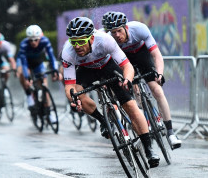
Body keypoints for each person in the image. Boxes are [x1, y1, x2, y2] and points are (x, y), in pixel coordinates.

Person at [61, 17, 159, 168]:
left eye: (81, 41)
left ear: (91, 38)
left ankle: (148, 149)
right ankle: (103, 121)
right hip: (86, 70)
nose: (77, 46)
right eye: (74, 42)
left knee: (131, 106)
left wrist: (127, 79)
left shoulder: (105, 40)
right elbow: (69, 86)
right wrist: (74, 99)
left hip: (108, 66)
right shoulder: (68, 52)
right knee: (76, 95)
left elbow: (127, 66)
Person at [104, 12, 182, 149]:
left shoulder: (139, 29)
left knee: (157, 90)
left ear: (126, 28)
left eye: (119, 31)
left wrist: (159, 73)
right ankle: (145, 122)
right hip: (126, 60)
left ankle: (170, 133)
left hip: (142, 55)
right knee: (134, 89)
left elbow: (156, 54)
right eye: (113, 32)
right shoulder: (109, 41)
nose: (116, 35)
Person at [16, 25, 59, 121]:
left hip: (37, 61)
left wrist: (54, 70)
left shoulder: (45, 41)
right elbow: (24, 63)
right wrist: (27, 78)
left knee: (44, 85)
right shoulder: (24, 44)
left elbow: (51, 56)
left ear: (40, 38)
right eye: (31, 40)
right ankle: (28, 96)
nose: (33, 42)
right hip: (25, 61)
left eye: (36, 40)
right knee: (21, 73)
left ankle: (48, 111)